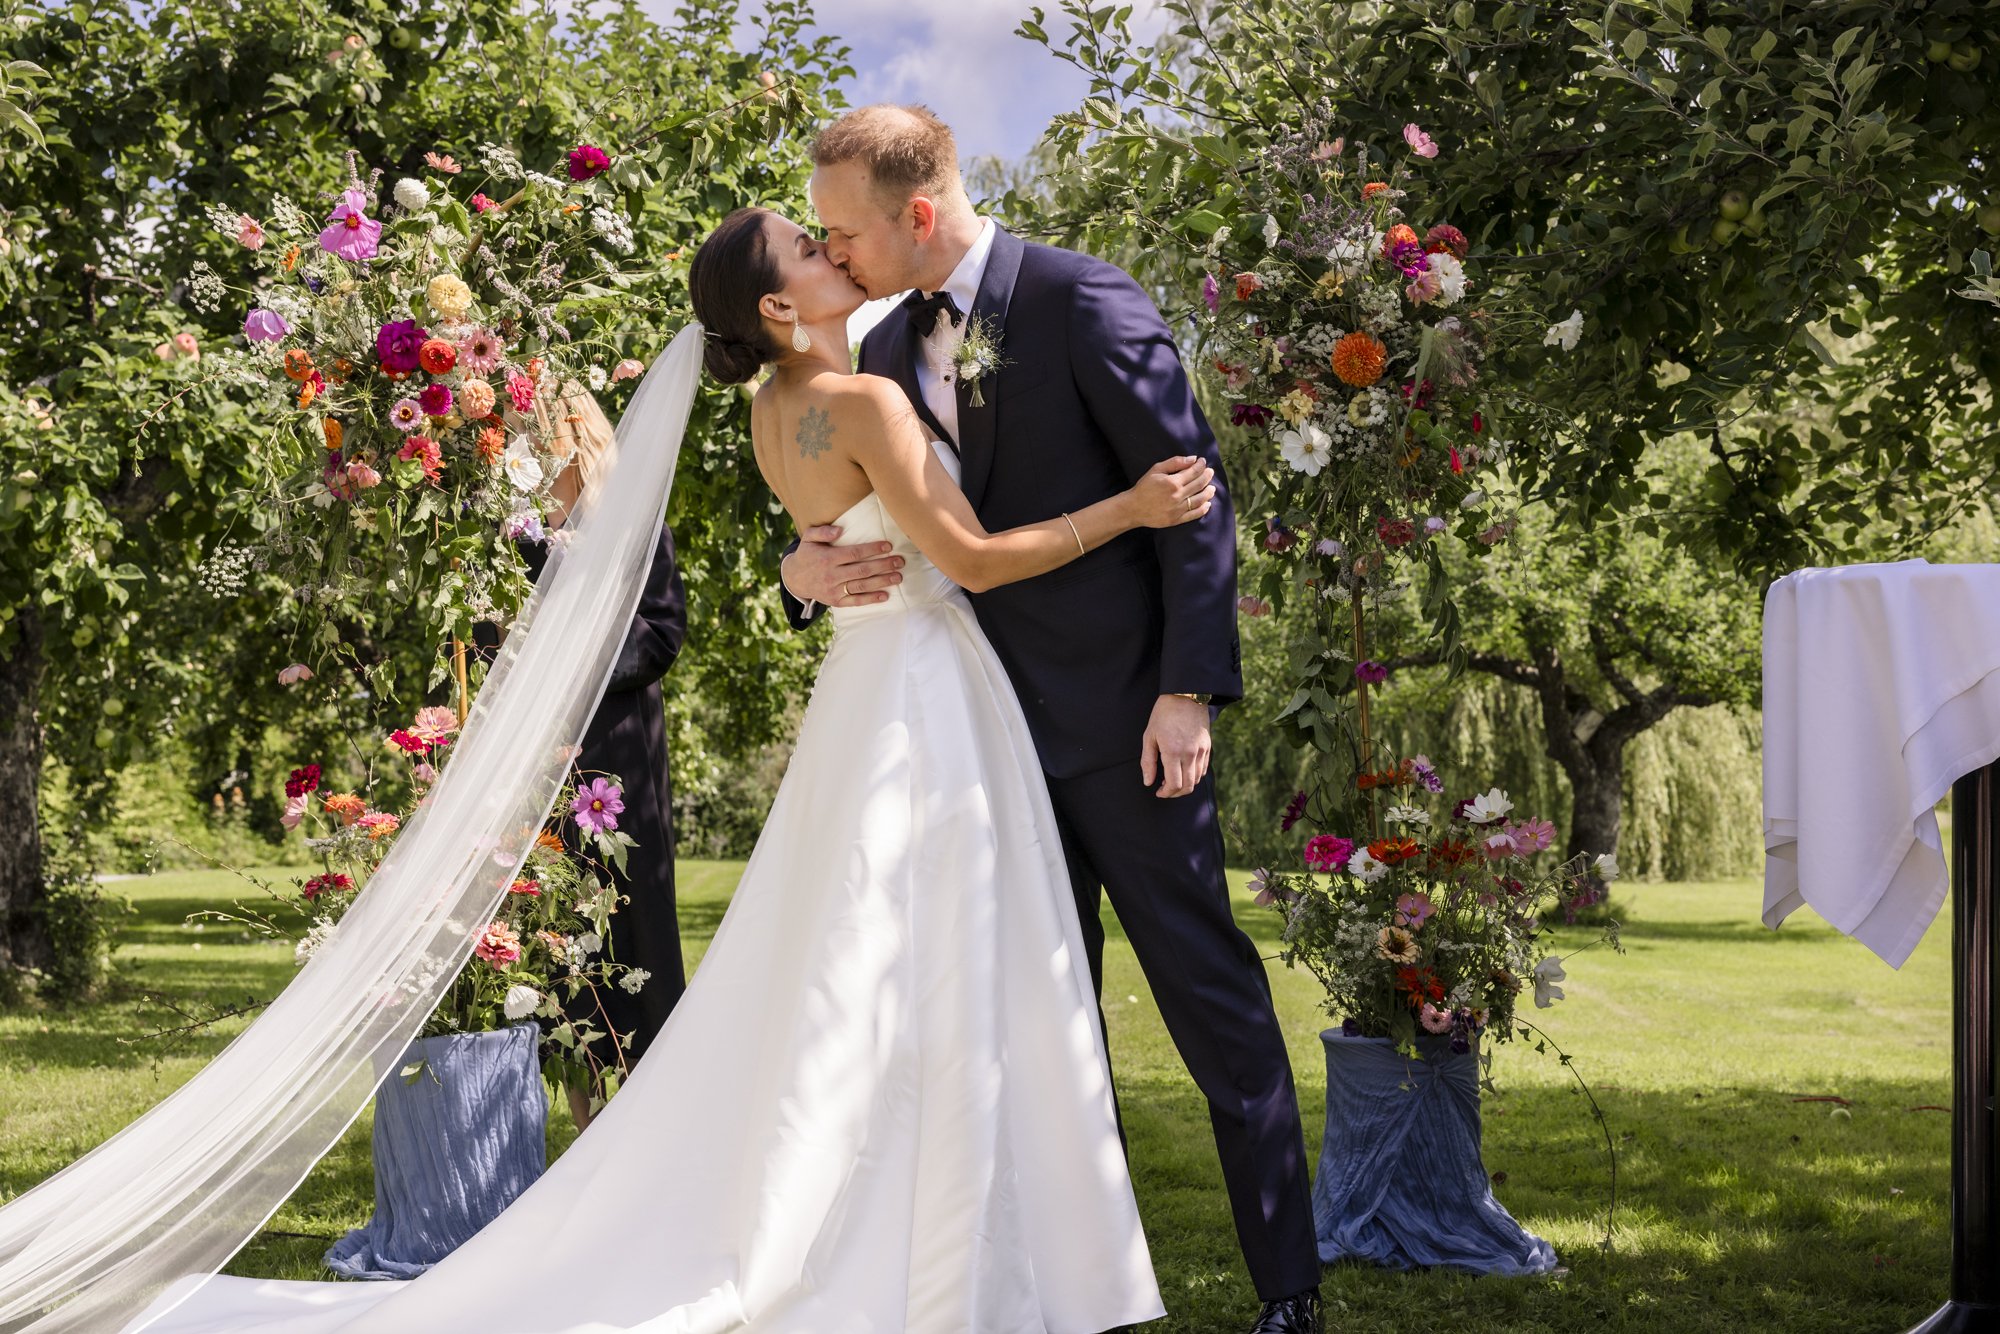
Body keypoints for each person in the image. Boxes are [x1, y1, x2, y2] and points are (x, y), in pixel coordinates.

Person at [117, 202, 1215, 1333]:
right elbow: (974, 563)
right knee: (929, 958)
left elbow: (830, 537)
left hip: (864, 690)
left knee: (865, 956)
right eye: (809, 247)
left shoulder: (772, 407)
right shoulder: (866, 396)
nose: (835, 249)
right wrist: (1127, 507)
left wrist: (799, 570)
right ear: (780, 307)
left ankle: (937, 1229)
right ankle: (939, 1247)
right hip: (926, 693)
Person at [777, 104, 1324, 1334]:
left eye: (842, 231)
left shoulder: (1084, 301)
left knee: (1208, 996)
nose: (836, 254)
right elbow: (868, 511)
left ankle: (1288, 1290)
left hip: (1127, 729)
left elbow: (1190, 499)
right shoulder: (876, 347)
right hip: (973, 741)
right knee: (1030, 1019)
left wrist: (1186, 690)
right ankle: (1067, 1286)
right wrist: (795, 573)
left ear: (915, 214)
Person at [475, 387, 690, 1130]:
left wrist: (571, 665)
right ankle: (582, 1119)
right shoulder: (514, 534)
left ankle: (648, 1116)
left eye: (534, 435)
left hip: (616, 766)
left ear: (574, 437)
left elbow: (661, 633)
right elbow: (481, 637)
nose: (520, 450)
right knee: (555, 939)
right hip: (531, 768)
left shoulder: (633, 523)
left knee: (629, 930)